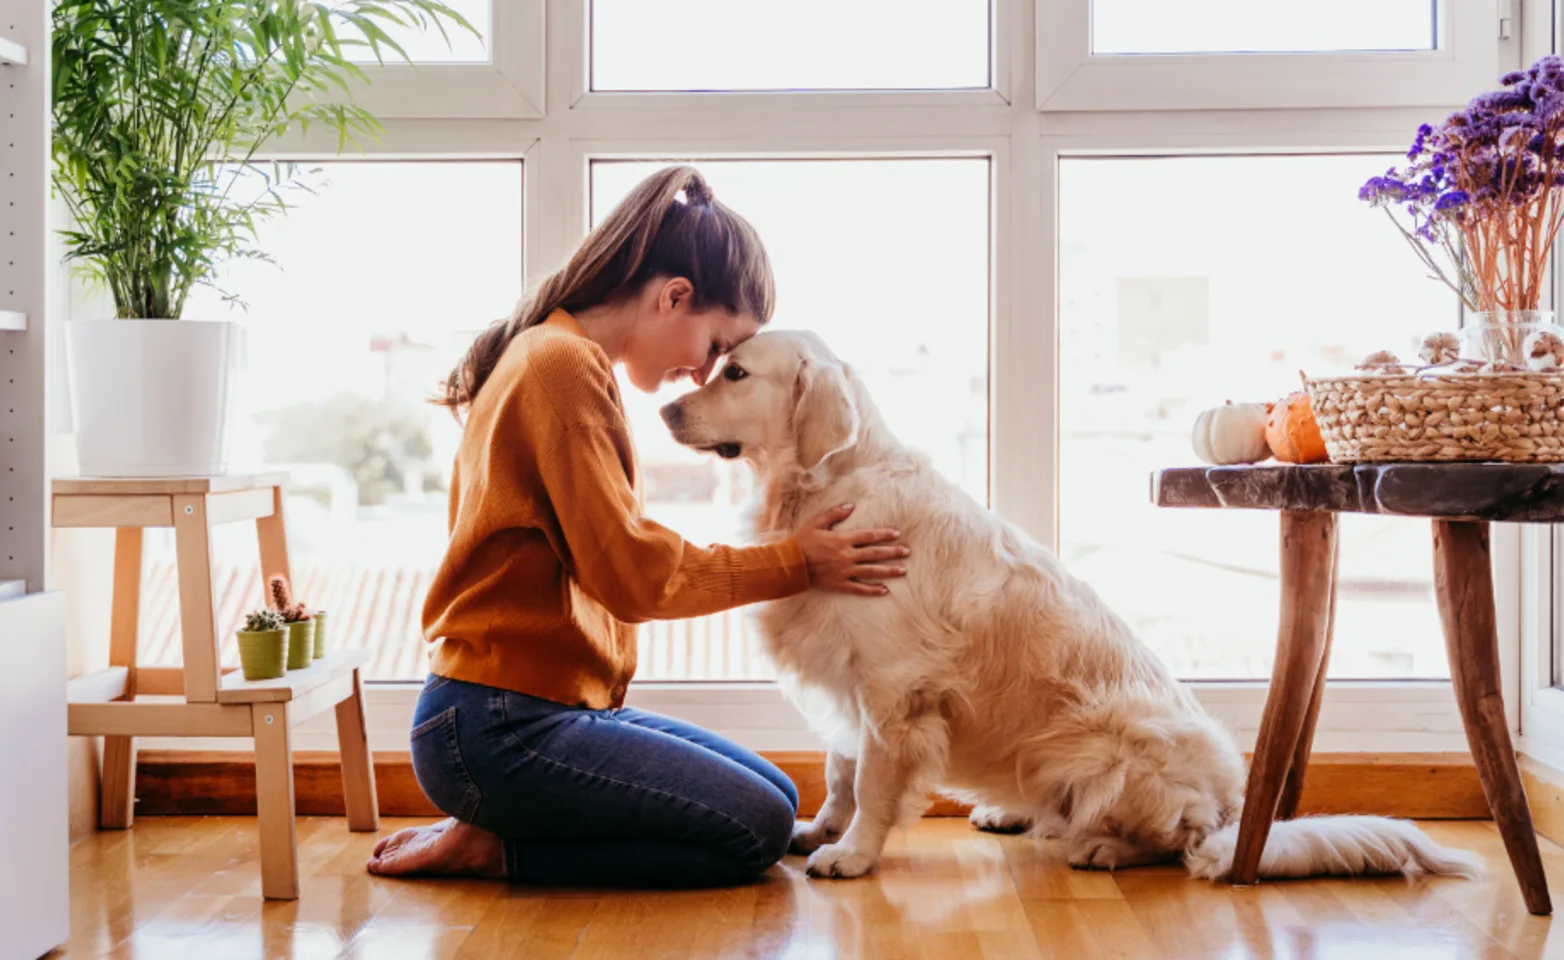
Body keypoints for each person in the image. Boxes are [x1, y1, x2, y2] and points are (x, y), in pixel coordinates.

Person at [366, 165, 909, 887]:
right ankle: (497, 846)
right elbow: (633, 576)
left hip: (533, 713)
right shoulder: (560, 367)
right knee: (755, 830)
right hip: (495, 727)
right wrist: (797, 562)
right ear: (673, 296)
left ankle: (500, 820)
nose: (702, 373)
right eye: (716, 347)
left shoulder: (558, 353)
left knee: (779, 799)